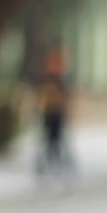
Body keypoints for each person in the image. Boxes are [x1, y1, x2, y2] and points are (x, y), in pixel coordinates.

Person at [34, 43, 74, 182]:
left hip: (57, 114)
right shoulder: (48, 79)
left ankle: (56, 164)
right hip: (48, 114)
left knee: (57, 141)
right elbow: (42, 97)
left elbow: (66, 98)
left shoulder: (61, 80)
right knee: (48, 140)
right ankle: (48, 164)